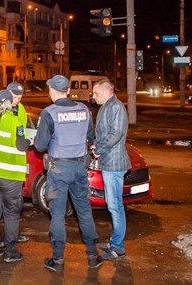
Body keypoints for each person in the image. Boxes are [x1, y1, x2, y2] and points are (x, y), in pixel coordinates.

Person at [34, 75, 103, 271]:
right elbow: (91, 138)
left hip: (59, 170)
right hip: (80, 168)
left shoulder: (49, 113)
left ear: (53, 91)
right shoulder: (84, 110)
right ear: (66, 90)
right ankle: (92, 256)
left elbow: (39, 145)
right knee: (84, 212)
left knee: (57, 215)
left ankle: (58, 260)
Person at [0, 89, 33, 263]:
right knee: (11, 214)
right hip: (10, 176)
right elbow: (23, 145)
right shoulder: (16, 123)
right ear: (11, 104)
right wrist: (30, 141)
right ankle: (10, 253)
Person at [91, 80, 131, 260]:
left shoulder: (116, 107)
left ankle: (118, 247)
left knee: (115, 205)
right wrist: (95, 144)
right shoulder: (107, 106)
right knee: (112, 203)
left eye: (96, 93)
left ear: (107, 91)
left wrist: (99, 149)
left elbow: (116, 134)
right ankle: (115, 241)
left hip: (114, 164)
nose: (93, 96)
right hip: (108, 163)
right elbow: (104, 133)